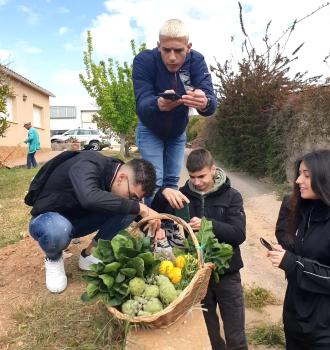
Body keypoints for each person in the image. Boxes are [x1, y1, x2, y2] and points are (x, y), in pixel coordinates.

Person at [26, 151, 162, 294]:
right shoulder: (88, 163)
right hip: (49, 220)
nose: (133, 200)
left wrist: (151, 224)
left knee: (130, 209)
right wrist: (139, 207)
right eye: (133, 196)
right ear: (122, 178)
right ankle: (53, 259)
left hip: (78, 220)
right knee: (57, 230)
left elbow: (131, 209)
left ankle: (89, 255)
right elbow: (89, 197)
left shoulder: (116, 178)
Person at [152, 148, 248, 350]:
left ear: (213, 170)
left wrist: (208, 224)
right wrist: (163, 193)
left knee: (235, 333)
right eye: (193, 177)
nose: (196, 182)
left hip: (227, 273)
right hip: (194, 274)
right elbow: (155, 215)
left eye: (202, 176)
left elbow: (238, 234)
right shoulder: (182, 195)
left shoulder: (232, 196)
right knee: (207, 330)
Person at [266, 149, 330, 349]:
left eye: (306, 175)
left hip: (329, 332)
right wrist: (287, 253)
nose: (298, 181)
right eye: (299, 174)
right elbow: (307, 255)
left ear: (326, 178)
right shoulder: (305, 211)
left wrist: (293, 263)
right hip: (297, 321)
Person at [132, 18, 217, 204]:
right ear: (158, 46)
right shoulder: (144, 61)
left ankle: (167, 223)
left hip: (177, 131)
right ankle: (153, 225)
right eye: (166, 50)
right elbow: (142, 102)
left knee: (171, 181)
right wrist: (158, 104)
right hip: (150, 129)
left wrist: (204, 102)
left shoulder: (197, 61)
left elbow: (211, 101)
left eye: (178, 50)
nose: (172, 57)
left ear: (188, 47)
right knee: (154, 181)